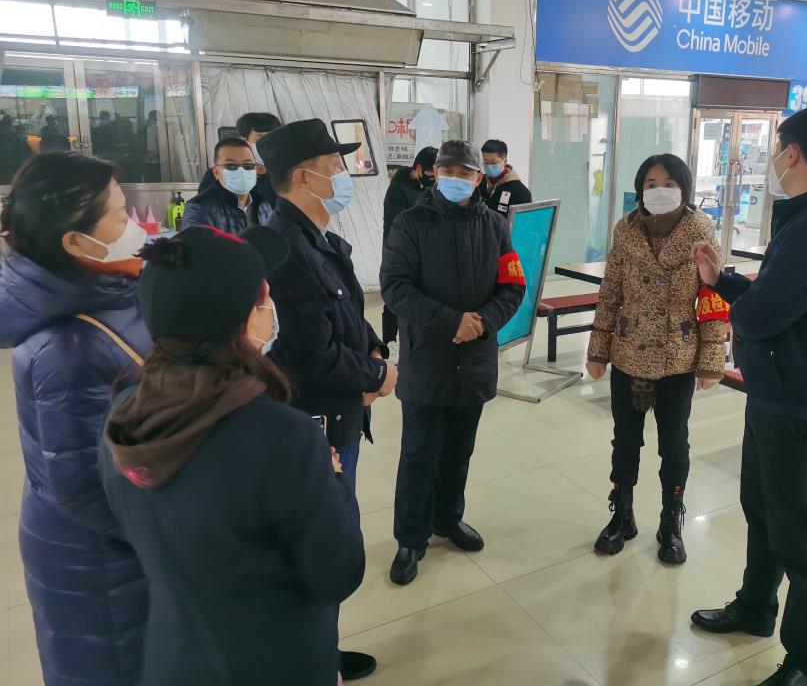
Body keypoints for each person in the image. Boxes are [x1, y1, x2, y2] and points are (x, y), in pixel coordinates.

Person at [99, 225, 366, 686]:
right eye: (264, 295)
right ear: (243, 318)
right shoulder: (281, 436)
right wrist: (334, 480)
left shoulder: (124, 415)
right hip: (277, 662)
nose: (271, 304)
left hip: (174, 656)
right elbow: (338, 573)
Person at [689, 105, 807, 686]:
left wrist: (736, 305)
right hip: (779, 392)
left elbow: (763, 315)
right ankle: (756, 606)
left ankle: (806, 662)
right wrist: (725, 281)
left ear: (792, 154)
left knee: (802, 540)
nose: (772, 161)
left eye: (776, 150)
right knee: (764, 511)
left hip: (802, 403)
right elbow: (780, 298)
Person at [0, 153, 150, 686]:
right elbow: (84, 489)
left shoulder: (102, 288)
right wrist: (174, 530)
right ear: (75, 242)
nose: (135, 224)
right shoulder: (69, 347)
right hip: (100, 565)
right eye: (120, 213)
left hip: (120, 546)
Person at [257, 118, 393, 681]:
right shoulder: (285, 249)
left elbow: (345, 316)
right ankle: (309, 660)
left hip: (339, 407)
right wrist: (378, 374)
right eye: (336, 167)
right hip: (315, 416)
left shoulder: (318, 240)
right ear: (303, 177)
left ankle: (319, 650)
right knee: (316, 539)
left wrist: (375, 349)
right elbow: (309, 353)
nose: (345, 176)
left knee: (328, 530)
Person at [381, 139, 526, 586]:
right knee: (419, 452)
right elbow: (396, 288)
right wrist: (451, 322)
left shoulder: (495, 226)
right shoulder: (410, 223)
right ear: (434, 173)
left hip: (475, 358)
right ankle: (410, 537)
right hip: (428, 356)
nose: (456, 179)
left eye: (465, 173)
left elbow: (513, 286)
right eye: (448, 171)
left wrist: (481, 323)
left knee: (459, 450)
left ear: (479, 178)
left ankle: (447, 518)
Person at [586, 154, 728, 565]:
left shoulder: (701, 230)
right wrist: (597, 350)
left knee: (674, 444)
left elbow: (713, 297)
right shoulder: (625, 229)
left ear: (684, 188)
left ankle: (671, 522)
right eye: (650, 184)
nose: (659, 190)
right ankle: (622, 514)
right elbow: (610, 292)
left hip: (677, 357)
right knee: (625, 441)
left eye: (668, 183)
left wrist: (711, 360)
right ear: (640, 190)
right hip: (628, 352)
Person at [381, 145, 437, 344]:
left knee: (419, 297)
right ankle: (389, 343)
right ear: (419, 168)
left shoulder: (430, 188)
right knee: (394, 298)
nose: (433, 177)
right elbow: (396, 226)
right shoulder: (398, 189)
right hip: (399, 252)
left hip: (424, 252)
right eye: (430, 173)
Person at [182, 137, 271, 233]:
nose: (241, 171)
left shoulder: (262, 203)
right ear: (216, 172)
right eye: (231, 166)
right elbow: (197, 242)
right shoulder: (199, 208)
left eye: (248, 165)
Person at [238, 111, 282, 210]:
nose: (267, 144)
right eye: (260, 140)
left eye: (272, 138)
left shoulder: (286, 174)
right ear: (244, 141)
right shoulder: (229, 175)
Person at [478, 138, 532, 217]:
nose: (489, 166)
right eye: (486, 162)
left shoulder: (520, 191)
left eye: (493, 162)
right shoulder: (478, 183)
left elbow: (524, 221)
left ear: (505, 161)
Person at [0, 114, 32, 184]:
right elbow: (21, 148)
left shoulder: (11, 133)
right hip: (11, 164)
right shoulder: (9, 133)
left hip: (10, 165)